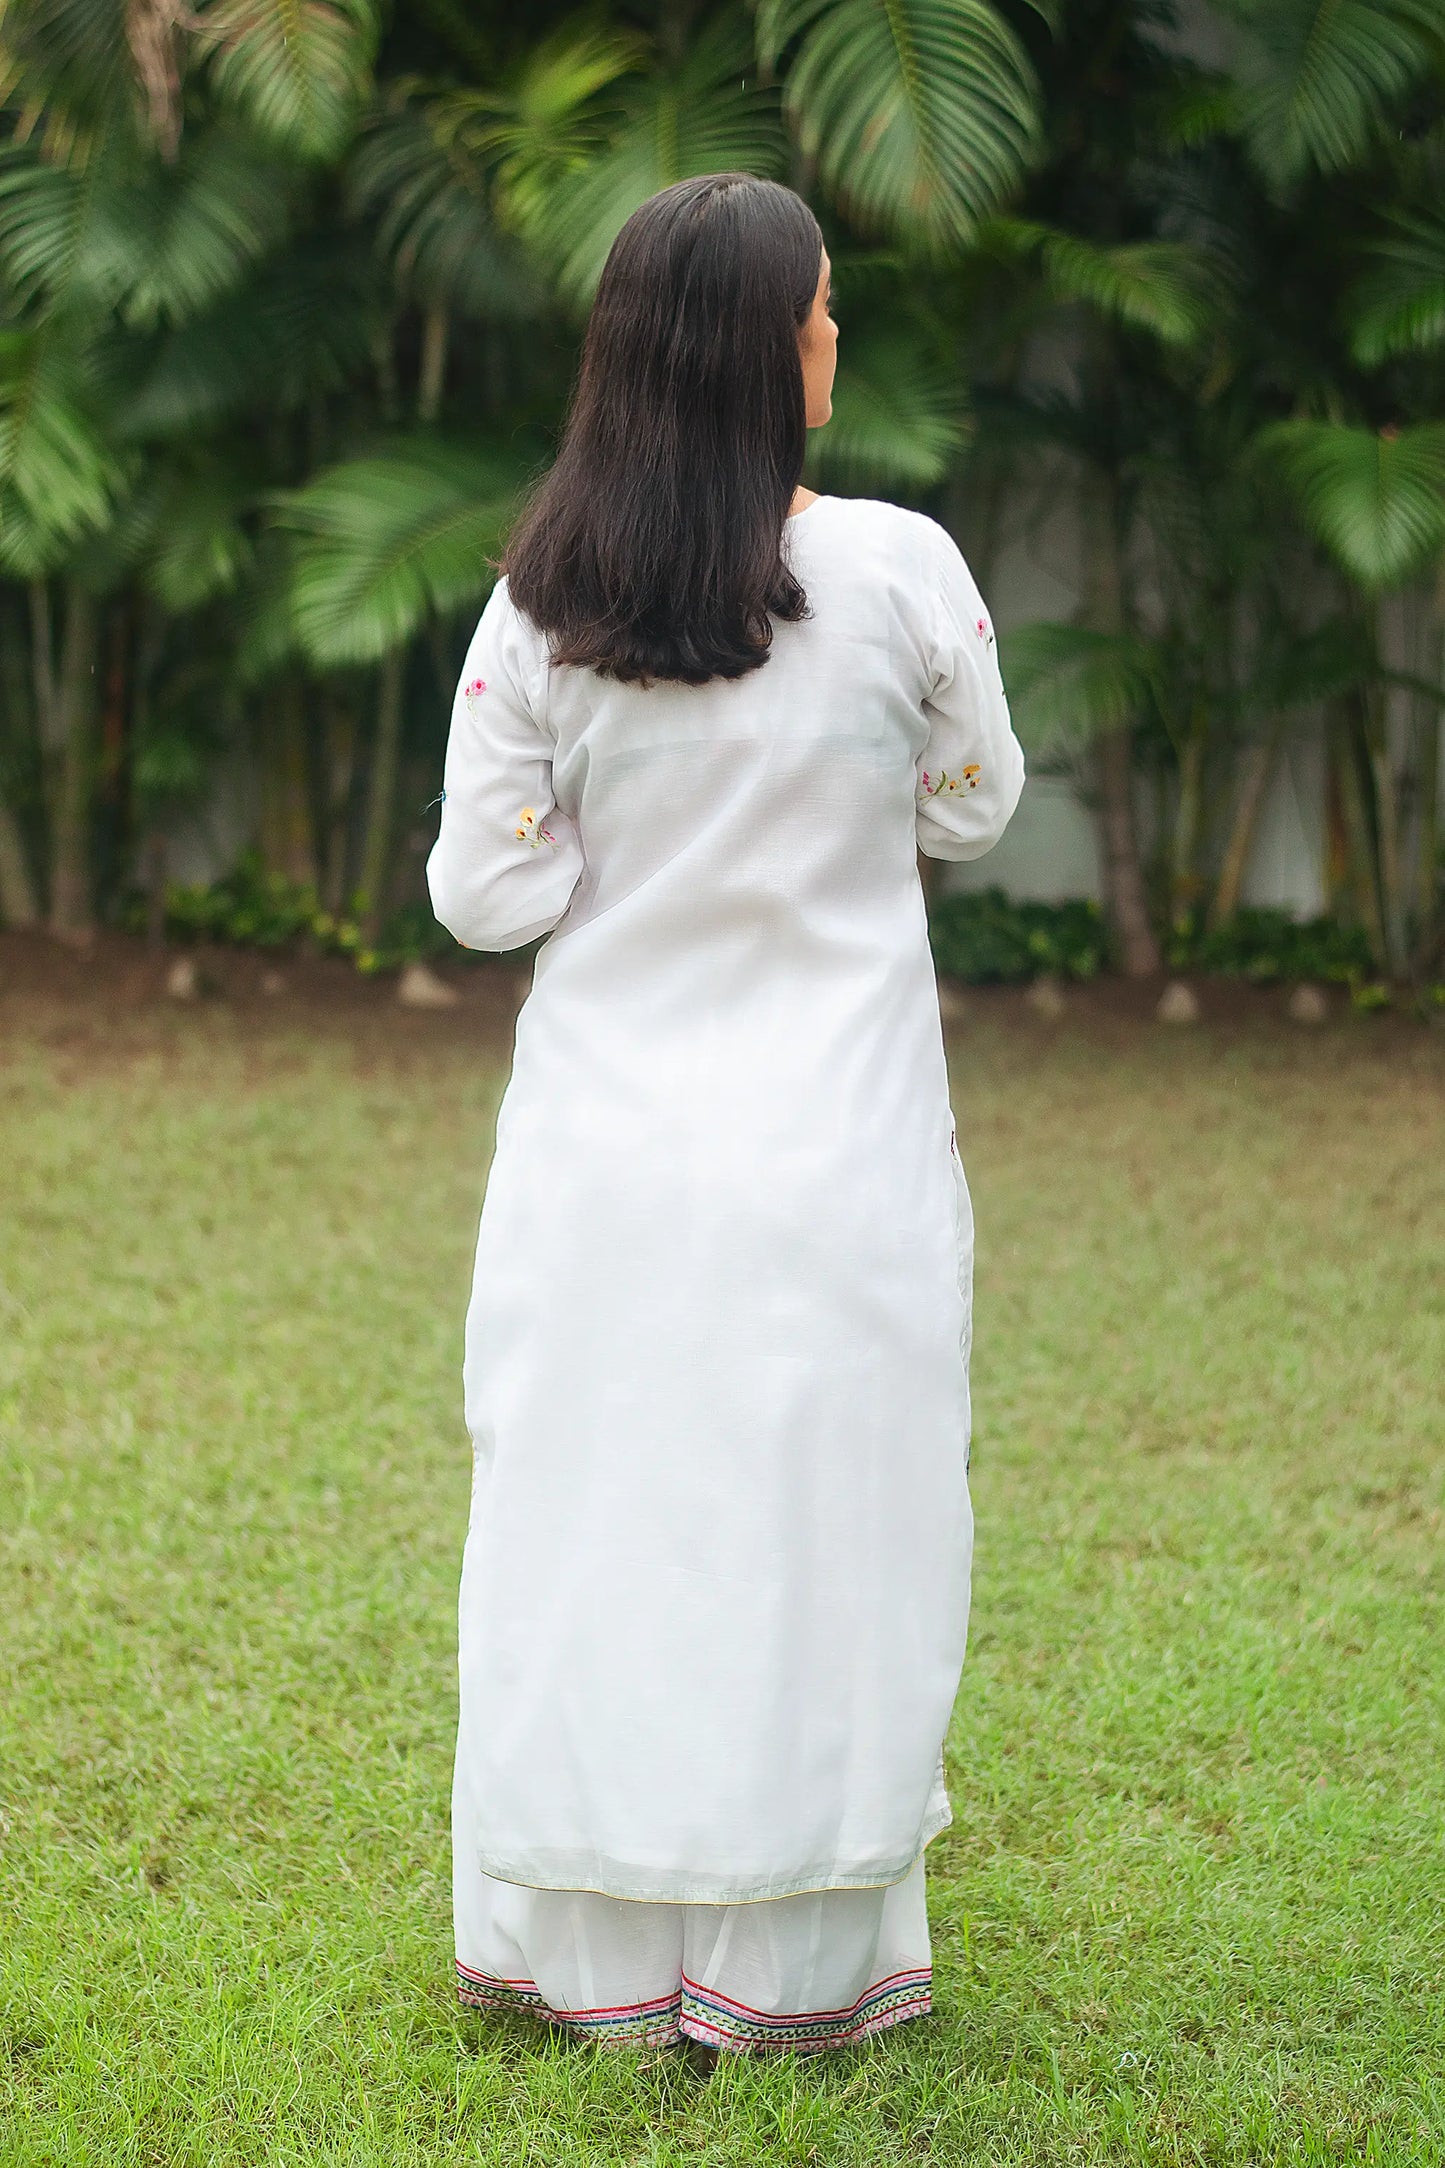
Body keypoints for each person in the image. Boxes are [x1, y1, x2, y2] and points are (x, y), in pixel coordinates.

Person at [427, 172, 1025, 2057]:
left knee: (598, 1529)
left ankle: (586, 1964)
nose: (837, 335)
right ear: (772, 353)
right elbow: (974, 806)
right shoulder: (903, 570)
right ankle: (789, 1979)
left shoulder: (541, 600)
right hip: (833, 1160)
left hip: (606, 1168)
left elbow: (484, 895)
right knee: (823, 1543)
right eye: (822, 310)